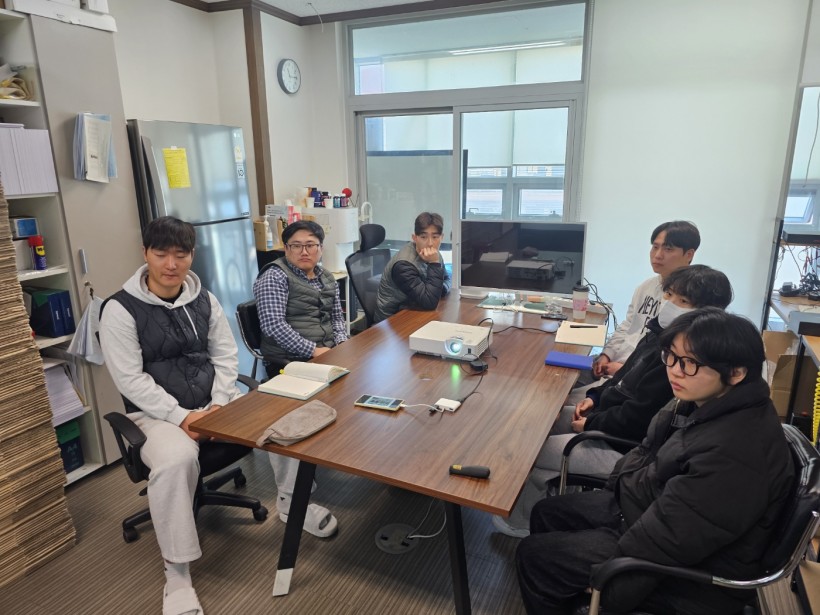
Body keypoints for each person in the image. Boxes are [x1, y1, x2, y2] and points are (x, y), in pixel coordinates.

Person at [100, 217, 337, 615]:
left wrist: (219, 404)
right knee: (176, 459)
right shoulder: (120, 309)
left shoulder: (203, 299)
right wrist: (182, 417)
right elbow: (130, 379)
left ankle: (290, 503)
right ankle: (177, 574)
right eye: (161, 254)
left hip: (214, 402)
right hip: (155, 415)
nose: (171, 264)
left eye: (180, 254)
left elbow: (226, 356)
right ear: (145, 254)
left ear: (191, 255)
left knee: (285, 415)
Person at [515, 308, 794, 615]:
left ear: (736, 372)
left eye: (690, 363)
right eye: (671, 357)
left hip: (688, 576)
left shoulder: (735, 453)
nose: (674, 370)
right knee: (546, 512)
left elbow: (668, 541)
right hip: (647, 511)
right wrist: (617, 489)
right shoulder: (707, 402)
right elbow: (647, 454)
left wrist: (609, 589)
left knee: (534, 557)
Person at [493, 265, 733, 537]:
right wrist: (594, 399)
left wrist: (591, 423)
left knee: (532, 450)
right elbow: (623, 379)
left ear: (707, 314)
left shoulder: (680, 362)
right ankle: (550, 491)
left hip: (626, 449)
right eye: (669, 295)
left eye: (682, 301)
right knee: (540, 420)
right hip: (612, 423)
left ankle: (522, 521)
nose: (669, 304)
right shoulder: (659, 335)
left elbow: (637, 421)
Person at [593, 220, 700, 378]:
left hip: (636, 378)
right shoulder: (646, 287)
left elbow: (671, 355)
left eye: (668, 249)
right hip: (615, 366)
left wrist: (626, 371)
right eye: (655, 247)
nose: (658, 255)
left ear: (689, 254)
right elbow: (628, 324)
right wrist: (606, 354)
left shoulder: (690, 298)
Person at [253, 219, 348, 378]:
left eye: (310, 245)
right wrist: (314, 350)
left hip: (327, 352)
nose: (304, 252)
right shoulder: (274, 277)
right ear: (286, 249)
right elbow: (274, 326)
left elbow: (336, 317)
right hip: (291, 360)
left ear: (321, 248)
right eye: (296, 246)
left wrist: (341, 343)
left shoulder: (327, 276)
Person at [373, 212, 452, 323]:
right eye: (423, 237)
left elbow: (447, 279)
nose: (430, 243)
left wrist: (439, 289)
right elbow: (429, 303)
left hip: (416, 310)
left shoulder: (434, 254)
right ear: (415, 238)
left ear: (442, 237)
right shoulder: (403, 265)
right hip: (392, 322)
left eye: (435, 237)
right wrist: (434, 263)